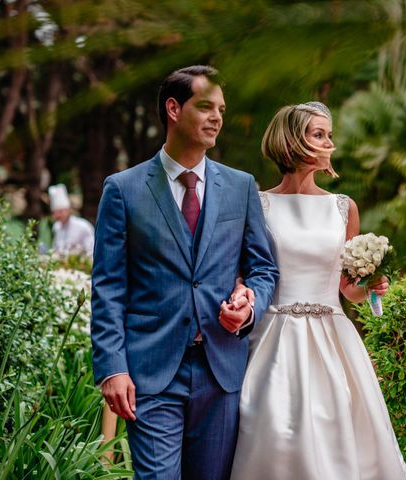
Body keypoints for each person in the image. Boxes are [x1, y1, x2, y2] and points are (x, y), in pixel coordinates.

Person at [90, 65, 279, 479]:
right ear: (174, 109)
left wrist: (249, 308)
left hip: (221, 370)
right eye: (206, 107)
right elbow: (108, 286)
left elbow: (263, 268)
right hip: (152, 372)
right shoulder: (123, 189)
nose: (217, 118)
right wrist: (112, 367)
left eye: (222, 110)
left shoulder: (241, 186)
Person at [230, 102, 406, 479]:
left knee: (338, 439)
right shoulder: (258, 204)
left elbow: (349, 290)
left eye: (329, 135)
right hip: (273, 339)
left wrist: (373, 286)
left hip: (333, 340)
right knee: (275, 436)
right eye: (318, 134)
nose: (329, 142)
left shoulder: (343, 208)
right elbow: (247, 274)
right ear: (292, 140)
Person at [48, 183, 95, 257]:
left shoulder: (83, 226)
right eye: (55, 212)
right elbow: (56, 250)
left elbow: (92, 251)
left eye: (61, 211)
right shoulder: (56, 227)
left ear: (68, 209)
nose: (58, 215)